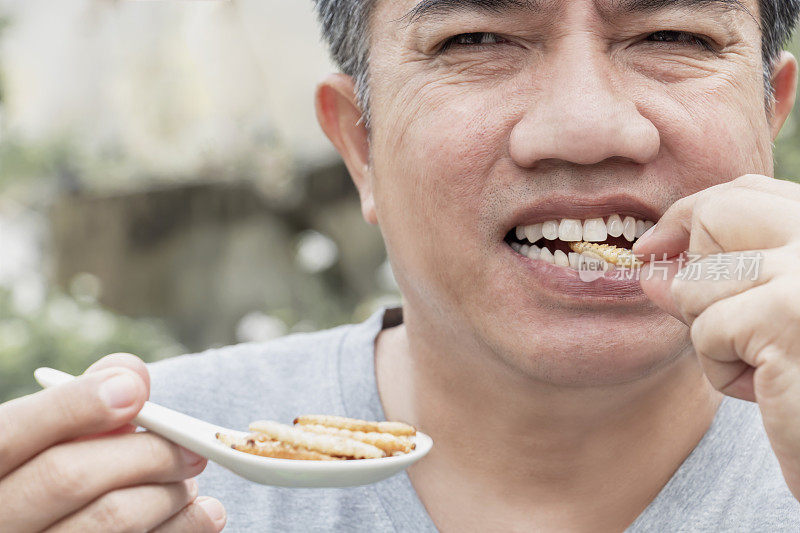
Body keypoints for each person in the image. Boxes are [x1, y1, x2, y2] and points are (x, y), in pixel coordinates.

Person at [2, 0, 800, 531]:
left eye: (674, 36)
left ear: (772, 112)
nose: (588, 127)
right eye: (476, 39)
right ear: (359, 146)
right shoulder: (140, 479)